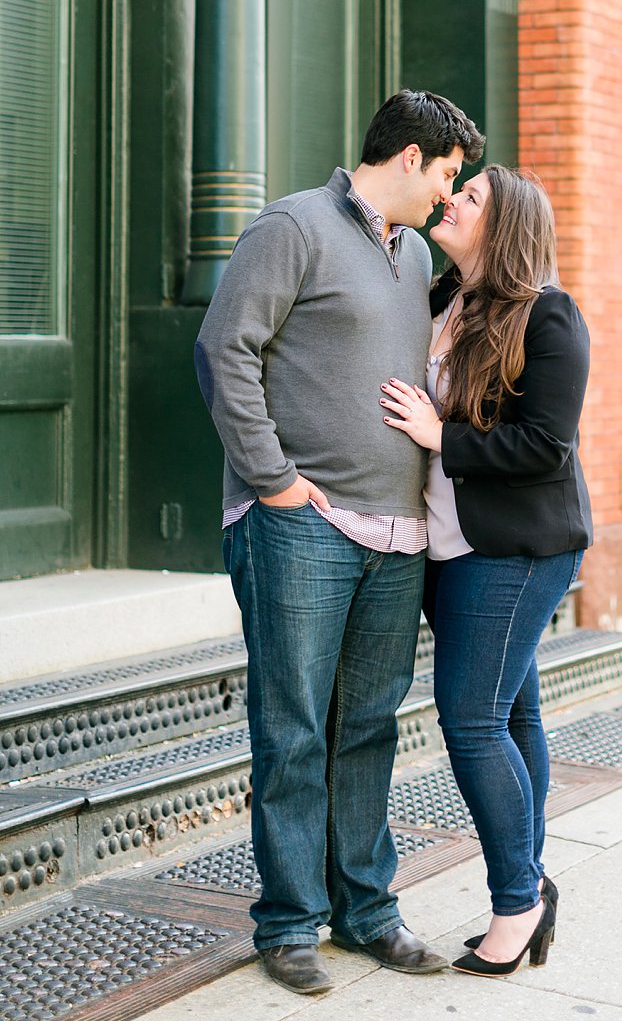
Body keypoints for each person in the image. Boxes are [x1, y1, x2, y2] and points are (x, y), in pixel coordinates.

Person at [196, 90, 484, 995]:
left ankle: (367, 908)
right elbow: (223, 350)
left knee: (366, 728)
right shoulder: (294, 227)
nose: (449, 198)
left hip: (395, 537)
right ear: (408, 158)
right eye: (447, 177)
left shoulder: (409, 261)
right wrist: (273, 480)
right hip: (302, 529)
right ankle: (288, 924)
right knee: (292, 729)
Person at [379, 163, 593, 978]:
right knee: (511, 715)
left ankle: (515, 904)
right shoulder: (441, 299)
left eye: (470, 198)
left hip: (516, 549)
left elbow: (546, 445)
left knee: (471, 720)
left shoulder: (550, 318)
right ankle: (532, 883)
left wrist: (443, 439)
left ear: (503, 228)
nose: (452, 199)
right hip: (447, 544)